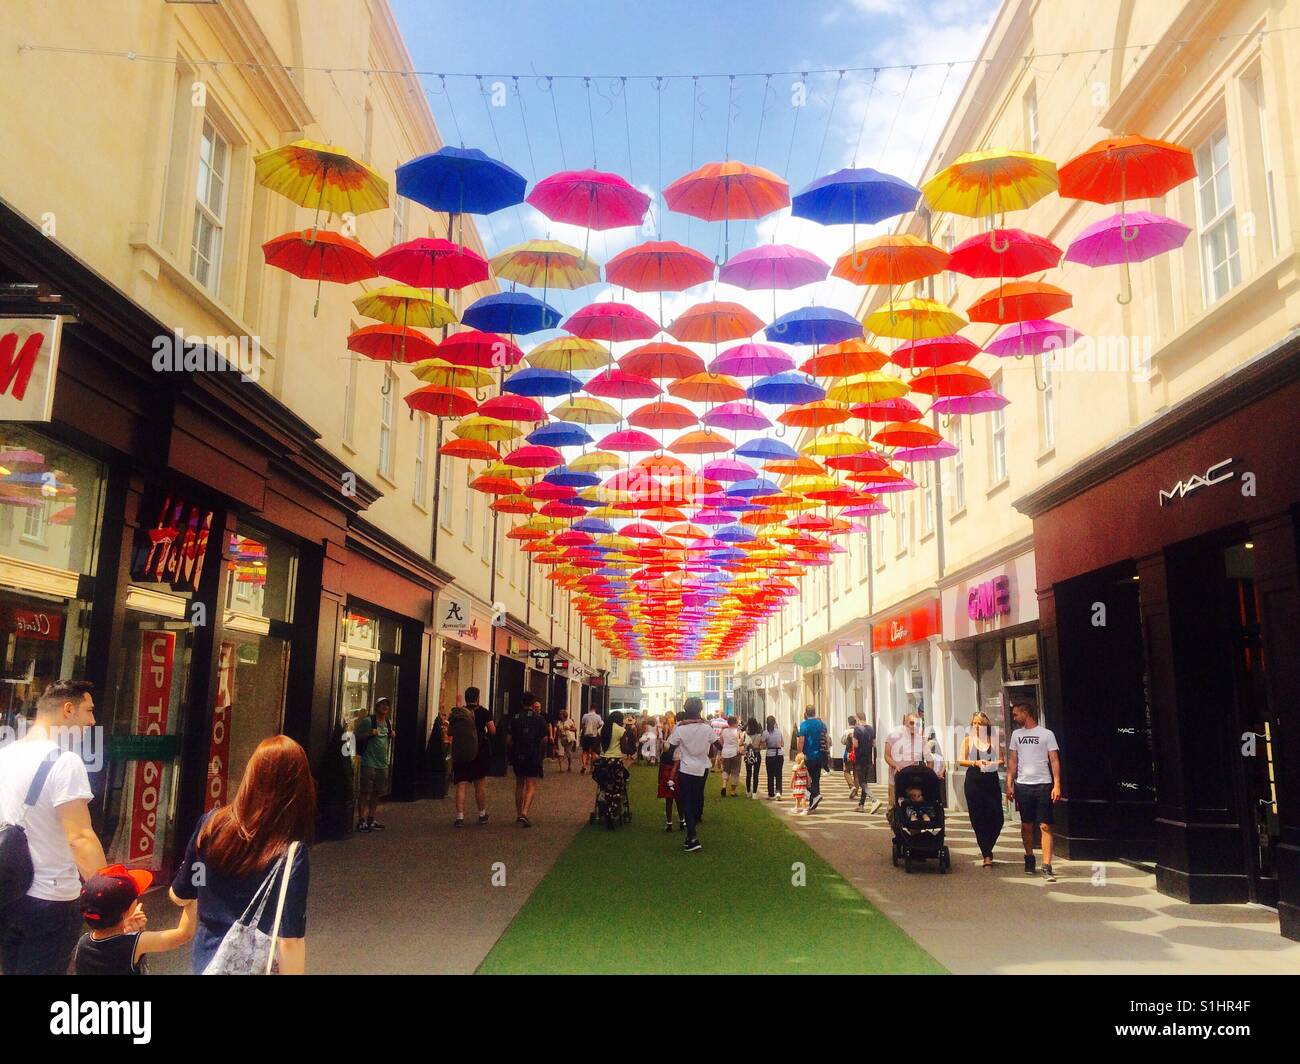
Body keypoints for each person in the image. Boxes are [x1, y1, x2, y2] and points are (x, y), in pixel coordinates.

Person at [170, 735, 313, 974]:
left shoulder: (210, 824)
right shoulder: (290, 852)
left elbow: (181, 893)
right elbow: (290, 941)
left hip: (208, 963)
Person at [0, 679, 107, 975]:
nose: (92, 721)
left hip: (8, 893)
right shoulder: (65, 762)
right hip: (52, 900)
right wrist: (114, 895)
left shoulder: (6, 755)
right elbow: (80, 838)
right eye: (88, 711)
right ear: (68, 710)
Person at [74, 865, 195, 975]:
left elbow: (109, 949)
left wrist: (129, 930)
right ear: (126, 912)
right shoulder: (135, 944)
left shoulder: (83, 943)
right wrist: (194, 892)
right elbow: (184, 934)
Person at [1007, 701, 1061, 882]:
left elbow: (1054, 759)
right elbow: (1013, 760)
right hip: (1023, 785)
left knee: (1045, 825)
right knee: (1026, 825)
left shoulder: (1046, 734)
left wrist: (1057, 784)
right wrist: (1009, 783)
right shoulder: (1016, 735)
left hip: (1043, 784)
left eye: (1016, 715)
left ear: (1026, 713)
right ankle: (1029, 857)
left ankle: (1046, 865)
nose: (1014, 718)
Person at [666, 698, 719, 853]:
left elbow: (670, 747)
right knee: (696, 798)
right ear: (700, 710)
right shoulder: (707, 728)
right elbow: (718, 745)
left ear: (685, 709)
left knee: (686, 802)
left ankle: (693, 837)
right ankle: (690, 835)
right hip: (703, 768)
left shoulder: (680, 729)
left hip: (686, 768)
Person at [449, 686, 495, 827]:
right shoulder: (484, 712)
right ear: (478, 698)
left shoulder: (459, 713)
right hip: (479, 752)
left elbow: (450, 732)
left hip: (462, 752)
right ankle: (482, 814)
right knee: (479, 785)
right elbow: (492, 731)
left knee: (461, 784)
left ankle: (460, 817)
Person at [883, 713, 944, 805]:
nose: (914, 726)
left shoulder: (921, 741)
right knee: (893, 806)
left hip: (912, 780)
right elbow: (887, 756)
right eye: (911, 723)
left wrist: (927, 775)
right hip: (896, 778)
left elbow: (930, 761)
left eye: (917, 724)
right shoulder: (893, 737)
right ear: (905, 723)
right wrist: (895, 765)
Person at [354, 697, 394, 833]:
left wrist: (391, 734)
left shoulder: (388, 722)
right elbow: (355, 736)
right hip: (369, 762)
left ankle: (371, 819)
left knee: (377, 792)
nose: (384, 707)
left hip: (382, 763)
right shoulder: (368, 721)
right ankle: (361, 820)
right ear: (376, 707)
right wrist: (369, 733)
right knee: (365, 791)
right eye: (382, 705)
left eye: (387, 705)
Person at [508, 696, 547, 827]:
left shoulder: (515, 718)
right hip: (533, 754)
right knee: (531, 784)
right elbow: (544, 739)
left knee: (519, 784)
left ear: (521, 702)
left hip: (518, 754)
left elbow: (509, 739)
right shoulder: (539, 719)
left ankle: (518, 814)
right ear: (532, 703)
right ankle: (525, 813)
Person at [795, 706, 829, 813]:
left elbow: (801, 740)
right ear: (815, 712)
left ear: (806, 713)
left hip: (808, 755)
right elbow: (826, 738)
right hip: (820, 755)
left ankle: (815, 795)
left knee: (806, 779)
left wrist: (799, 753)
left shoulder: (804, 725)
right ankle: (813, 803)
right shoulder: (821, 724)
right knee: (816, 778)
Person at [657, 711, 681, 832]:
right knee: (679, 798)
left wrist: (659, 777)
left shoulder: (670, 741)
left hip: (668, 770)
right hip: (678, 771)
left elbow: (663, 760)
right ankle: (682, 821)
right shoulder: (682, 740)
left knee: (669, 799)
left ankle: (669, 823)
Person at [852, 716, 881, 813]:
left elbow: (855, 744)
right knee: (864, 782)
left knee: (862, 783)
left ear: (857, 719)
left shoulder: (856, 729)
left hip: (860, 759)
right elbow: (874, 744)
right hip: (868, 759)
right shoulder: (871, 729)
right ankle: (861, 805)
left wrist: (853, 739)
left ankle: (874, 799)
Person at [719, 716, 742, 797]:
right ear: (735, 723)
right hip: (735, 753)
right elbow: (740, 742)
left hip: (725, 753)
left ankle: (724, 785)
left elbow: (721, 742)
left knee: (726, 769)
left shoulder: (724, 731)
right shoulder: (738, 731)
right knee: (735, 771)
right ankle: (733, 791)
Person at [762, 715, 784, 800]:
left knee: (770, 774)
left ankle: (770, 793)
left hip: (770, 754)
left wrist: (767, 743)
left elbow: (763, 745)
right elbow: (782, 744)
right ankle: (778, 792)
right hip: (779, 754)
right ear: (775, 723)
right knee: (779, 774)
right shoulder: (779, 732)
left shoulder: (765, 733)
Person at [579, 704, 603, 774]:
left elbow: (582, 724)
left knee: (585, 751)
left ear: (590, 708)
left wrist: (585, 730)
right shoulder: (598, 717)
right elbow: (601, 724)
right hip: (594, 736)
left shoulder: (585, 716)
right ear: (595, 709)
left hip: (586, 736)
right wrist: (596, 728)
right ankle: (591, 768)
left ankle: (584, 765)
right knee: (593, 752)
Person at [743, 718, 764, 798]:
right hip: (757, 754)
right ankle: (754, 793)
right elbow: (762, 746)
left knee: (748, 774)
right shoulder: (759, 736)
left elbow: (744, 746)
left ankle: (748, 791)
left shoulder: (746, 735)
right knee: (756, 774)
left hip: (748, 754)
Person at [555, 709, 577, 773]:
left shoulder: (570, 721)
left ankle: (569, 766)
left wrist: (569, 729)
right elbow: (557, 731)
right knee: (560, 753)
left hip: (568, 738)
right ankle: (561, 768)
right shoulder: (559, 722)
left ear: (564, 715)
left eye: (561, 715)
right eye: (560, 715)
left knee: (568, 752)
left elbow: (575, 729)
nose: (560, 716)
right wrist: (558, 734)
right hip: (561, 738)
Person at [842, 716, 858, 796]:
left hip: (848, 754)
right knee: (856, 772)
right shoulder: (858, 730)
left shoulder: (846, 731)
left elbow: (843, 741)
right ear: (856, 722)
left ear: (849, 723)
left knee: (846, 771)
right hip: (857, 754)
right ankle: (856, 790)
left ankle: (852, 786)